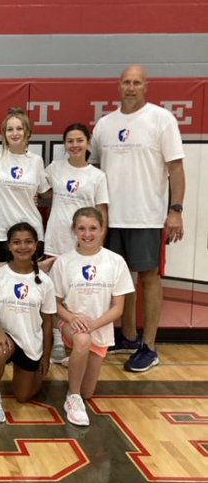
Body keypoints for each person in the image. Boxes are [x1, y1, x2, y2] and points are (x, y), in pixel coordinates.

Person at [90, 64, 185, 372]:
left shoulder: (161, 119)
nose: (130, 88)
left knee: (149, 278)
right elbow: (92, 169)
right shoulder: (105, 124)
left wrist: (176, 210)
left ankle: (150, 346)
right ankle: (128, 337)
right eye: (126, 82)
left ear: (147, 86)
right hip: (111, 218)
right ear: (119, 86)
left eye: (137, 83)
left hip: (147, 216)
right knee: (119, 280)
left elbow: (176, 168)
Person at [50, 208, 134, 426]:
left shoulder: (115, 262)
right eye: (81, 228)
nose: (87, 234)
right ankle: (72, 397)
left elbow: (118, 308)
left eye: (93, 228)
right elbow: (55, 303)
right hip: (71, 325)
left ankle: (78, 367)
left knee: (89, 392)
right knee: (82, 341)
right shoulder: (64, 262)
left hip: (100, 328)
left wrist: (94, 324)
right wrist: (71, 317)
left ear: (103, 230)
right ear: (74, 231)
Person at [42, 122, 109, 360]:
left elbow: (102, 212)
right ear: (65, 145)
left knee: (79, 294)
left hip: (84, 244)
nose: (74, 145)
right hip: (55, 240)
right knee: (54, 295)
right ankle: (57, 340)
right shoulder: (54, 168)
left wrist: (99, 244)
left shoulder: (97, 176)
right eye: (70, 141)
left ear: (88, 143)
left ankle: (78, 343)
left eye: (79, 140)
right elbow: (40, 190)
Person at [0, 222, 56, 425]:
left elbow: (48, 323)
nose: (23, 247)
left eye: (28, 242)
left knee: (23, 397)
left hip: (31, 342)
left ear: (36, 246)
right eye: (17, 242)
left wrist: (46, 357)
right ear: (9, 246)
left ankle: (30, 370)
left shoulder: (45, 282)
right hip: (4, 334)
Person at [0, 107, 49, 264]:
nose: (14, 133)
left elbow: (46, 191)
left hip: (29, 232)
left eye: (19, 128)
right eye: (9, 129)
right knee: (0, 284)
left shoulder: (36, 160)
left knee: (28, 283)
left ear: (27, 132)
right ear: (4, 134)